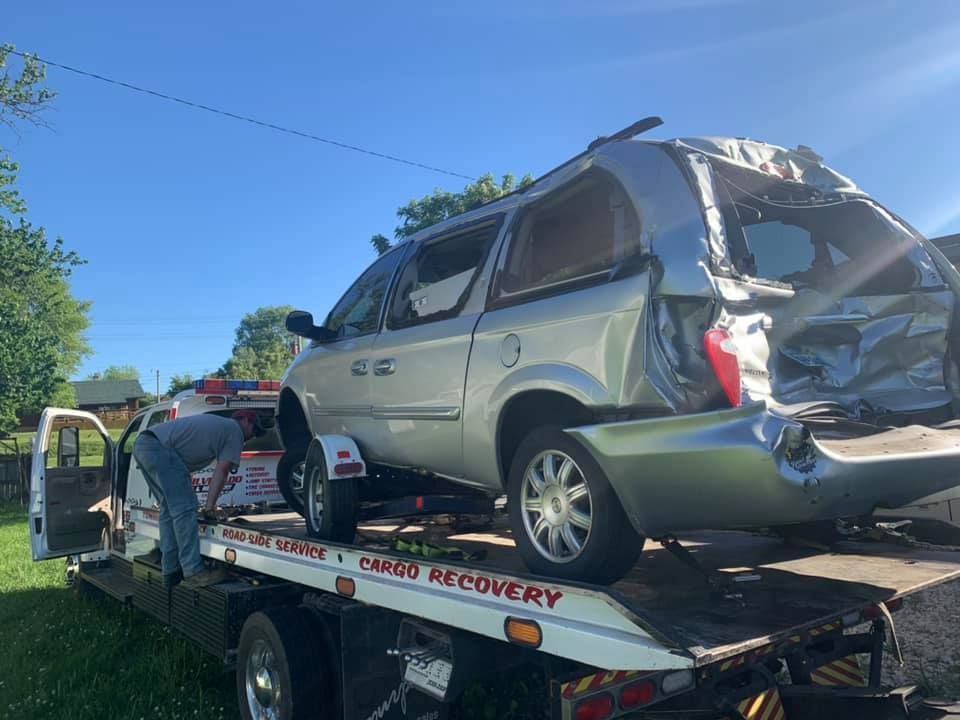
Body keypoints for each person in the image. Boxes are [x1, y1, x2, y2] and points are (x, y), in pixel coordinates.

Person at [133, 409, 263, 587]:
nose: (252, 437)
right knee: (185, 510)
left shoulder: (220, 426)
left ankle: (171, 570)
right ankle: (194, 571)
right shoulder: (235, 431)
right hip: (159, 449)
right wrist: (209, 508)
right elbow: (222, 470)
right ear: (247, 421)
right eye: (254, 431)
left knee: (169, 510)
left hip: (145, 444)